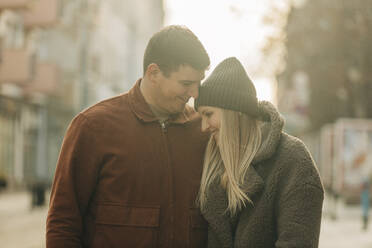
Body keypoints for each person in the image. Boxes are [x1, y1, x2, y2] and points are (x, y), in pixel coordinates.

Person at [46, 25, 211, 248]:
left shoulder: (202, 130)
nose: (195, 94)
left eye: (198, 83)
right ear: (154, 73)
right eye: (186, 84)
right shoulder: (93, 127)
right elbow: (63, 222)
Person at [194, 57, 324, 247]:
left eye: (208, 114)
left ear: (234, 112)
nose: (204, 127)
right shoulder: (212, 163)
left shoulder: (292, 159)